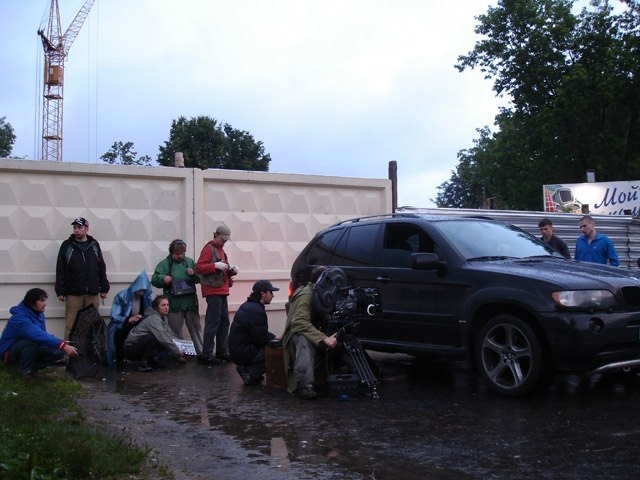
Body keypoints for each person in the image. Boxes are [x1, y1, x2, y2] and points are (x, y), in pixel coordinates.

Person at [282, 266, 338, 399]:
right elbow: (299, 323)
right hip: (295, 333)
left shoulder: (317, 293)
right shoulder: (306, 295)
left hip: (309, 328)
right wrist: (323, 338)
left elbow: (320, 313)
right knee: (304, 341)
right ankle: (304, 386)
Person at [0, 288, 78, 377]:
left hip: (28, 347)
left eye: (44, 301)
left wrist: (61, 344)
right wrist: (63, 345)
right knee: (34, 341)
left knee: (58, 352)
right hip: (9, 353)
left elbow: (42, 334)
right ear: (31, 302)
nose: (44, 304)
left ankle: (31, 368)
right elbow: (37, 335)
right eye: (41, 301)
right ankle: (25, 371)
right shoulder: (20, 318)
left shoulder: (39, 313)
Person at [55, 217, 110, 340]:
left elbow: (101, 266)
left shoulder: (94, 245)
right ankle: (69, 355)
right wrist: (60, 290)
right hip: (74, 293)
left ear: (86, 228)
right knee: (71, 325)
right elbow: (60, 269)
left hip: (93, 292)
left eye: (79, 227)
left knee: (92, 325)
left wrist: (104, 287)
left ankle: (90, 356)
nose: (76, 230)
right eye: (75, 228)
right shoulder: (67, 245)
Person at [195, 224, 238, 366]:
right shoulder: (208, 249)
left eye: (226, 239)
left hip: (222, 290)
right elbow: (199, 268)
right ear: (216, 234)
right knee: (213, 323)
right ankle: (207, 354)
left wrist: (231, 271)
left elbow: (222, 271)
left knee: (224, 322)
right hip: (213, 291)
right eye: (223, 238)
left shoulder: (221, 250)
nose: (224, 241)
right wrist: (215, 266)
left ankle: (222, 352)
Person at [151, 239, 202, 356]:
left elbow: (200, 279)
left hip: (190, 303)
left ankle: (201, 353)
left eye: (182, 253)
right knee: (174, 331)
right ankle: (178, 354)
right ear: (171, 252)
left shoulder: (189, 262)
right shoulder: (164, 264)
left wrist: (193, 274)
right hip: (174, 304)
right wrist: (163, 278)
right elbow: (154, 279)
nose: (180, 256)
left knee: (196, 329)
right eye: (177, 253)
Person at [228, 280, 278, 386]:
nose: (273, 295)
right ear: (262, 293)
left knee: (274, 344)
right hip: (243, 352)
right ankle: (250, 373)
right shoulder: (255, 310)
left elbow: (258, 332)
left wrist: (273, 337)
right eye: (271, 292)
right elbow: (260, 338)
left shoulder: (251, 306)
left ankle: (251, 371)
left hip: (239, 350)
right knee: (275, 351)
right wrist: (276, 340)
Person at [124, 295, 187, 372]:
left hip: (140, 345)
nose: (166, 307)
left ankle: (151, 360)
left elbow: (170, 334)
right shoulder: (153, 318)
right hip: (131, 349)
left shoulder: (164, 318)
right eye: (163, 305)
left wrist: (184, 346)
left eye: (167, 305)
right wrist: (177, 351)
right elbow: (163, 338)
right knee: (154, 338)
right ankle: (143, 363)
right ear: (157, 307)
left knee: (163, 338)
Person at [106, 270, 153, 368]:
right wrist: (128, 320)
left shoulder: (145, 298)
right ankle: (118, 361)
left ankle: (145, 359)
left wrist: (141, 318)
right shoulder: (122, 296)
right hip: (121, 325)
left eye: (144, 291)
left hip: (138, 324)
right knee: (118, 337)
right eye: (140, 290)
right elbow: (115, 315)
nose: (141, 293)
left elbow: (149, 312)